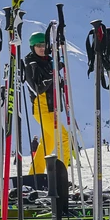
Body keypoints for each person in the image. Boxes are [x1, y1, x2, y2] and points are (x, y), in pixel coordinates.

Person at [25, 31, 70, 174]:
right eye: (38, 45)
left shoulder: (49, 61)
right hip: (42, 109)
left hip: (52, 109)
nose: (42, 47)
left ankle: (34, 176)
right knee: (64, 139)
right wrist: (53, 72)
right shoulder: (31, 64)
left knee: (47, 145)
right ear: (32, 47)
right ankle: (60, 176)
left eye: (44, 44)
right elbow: (39, 88)